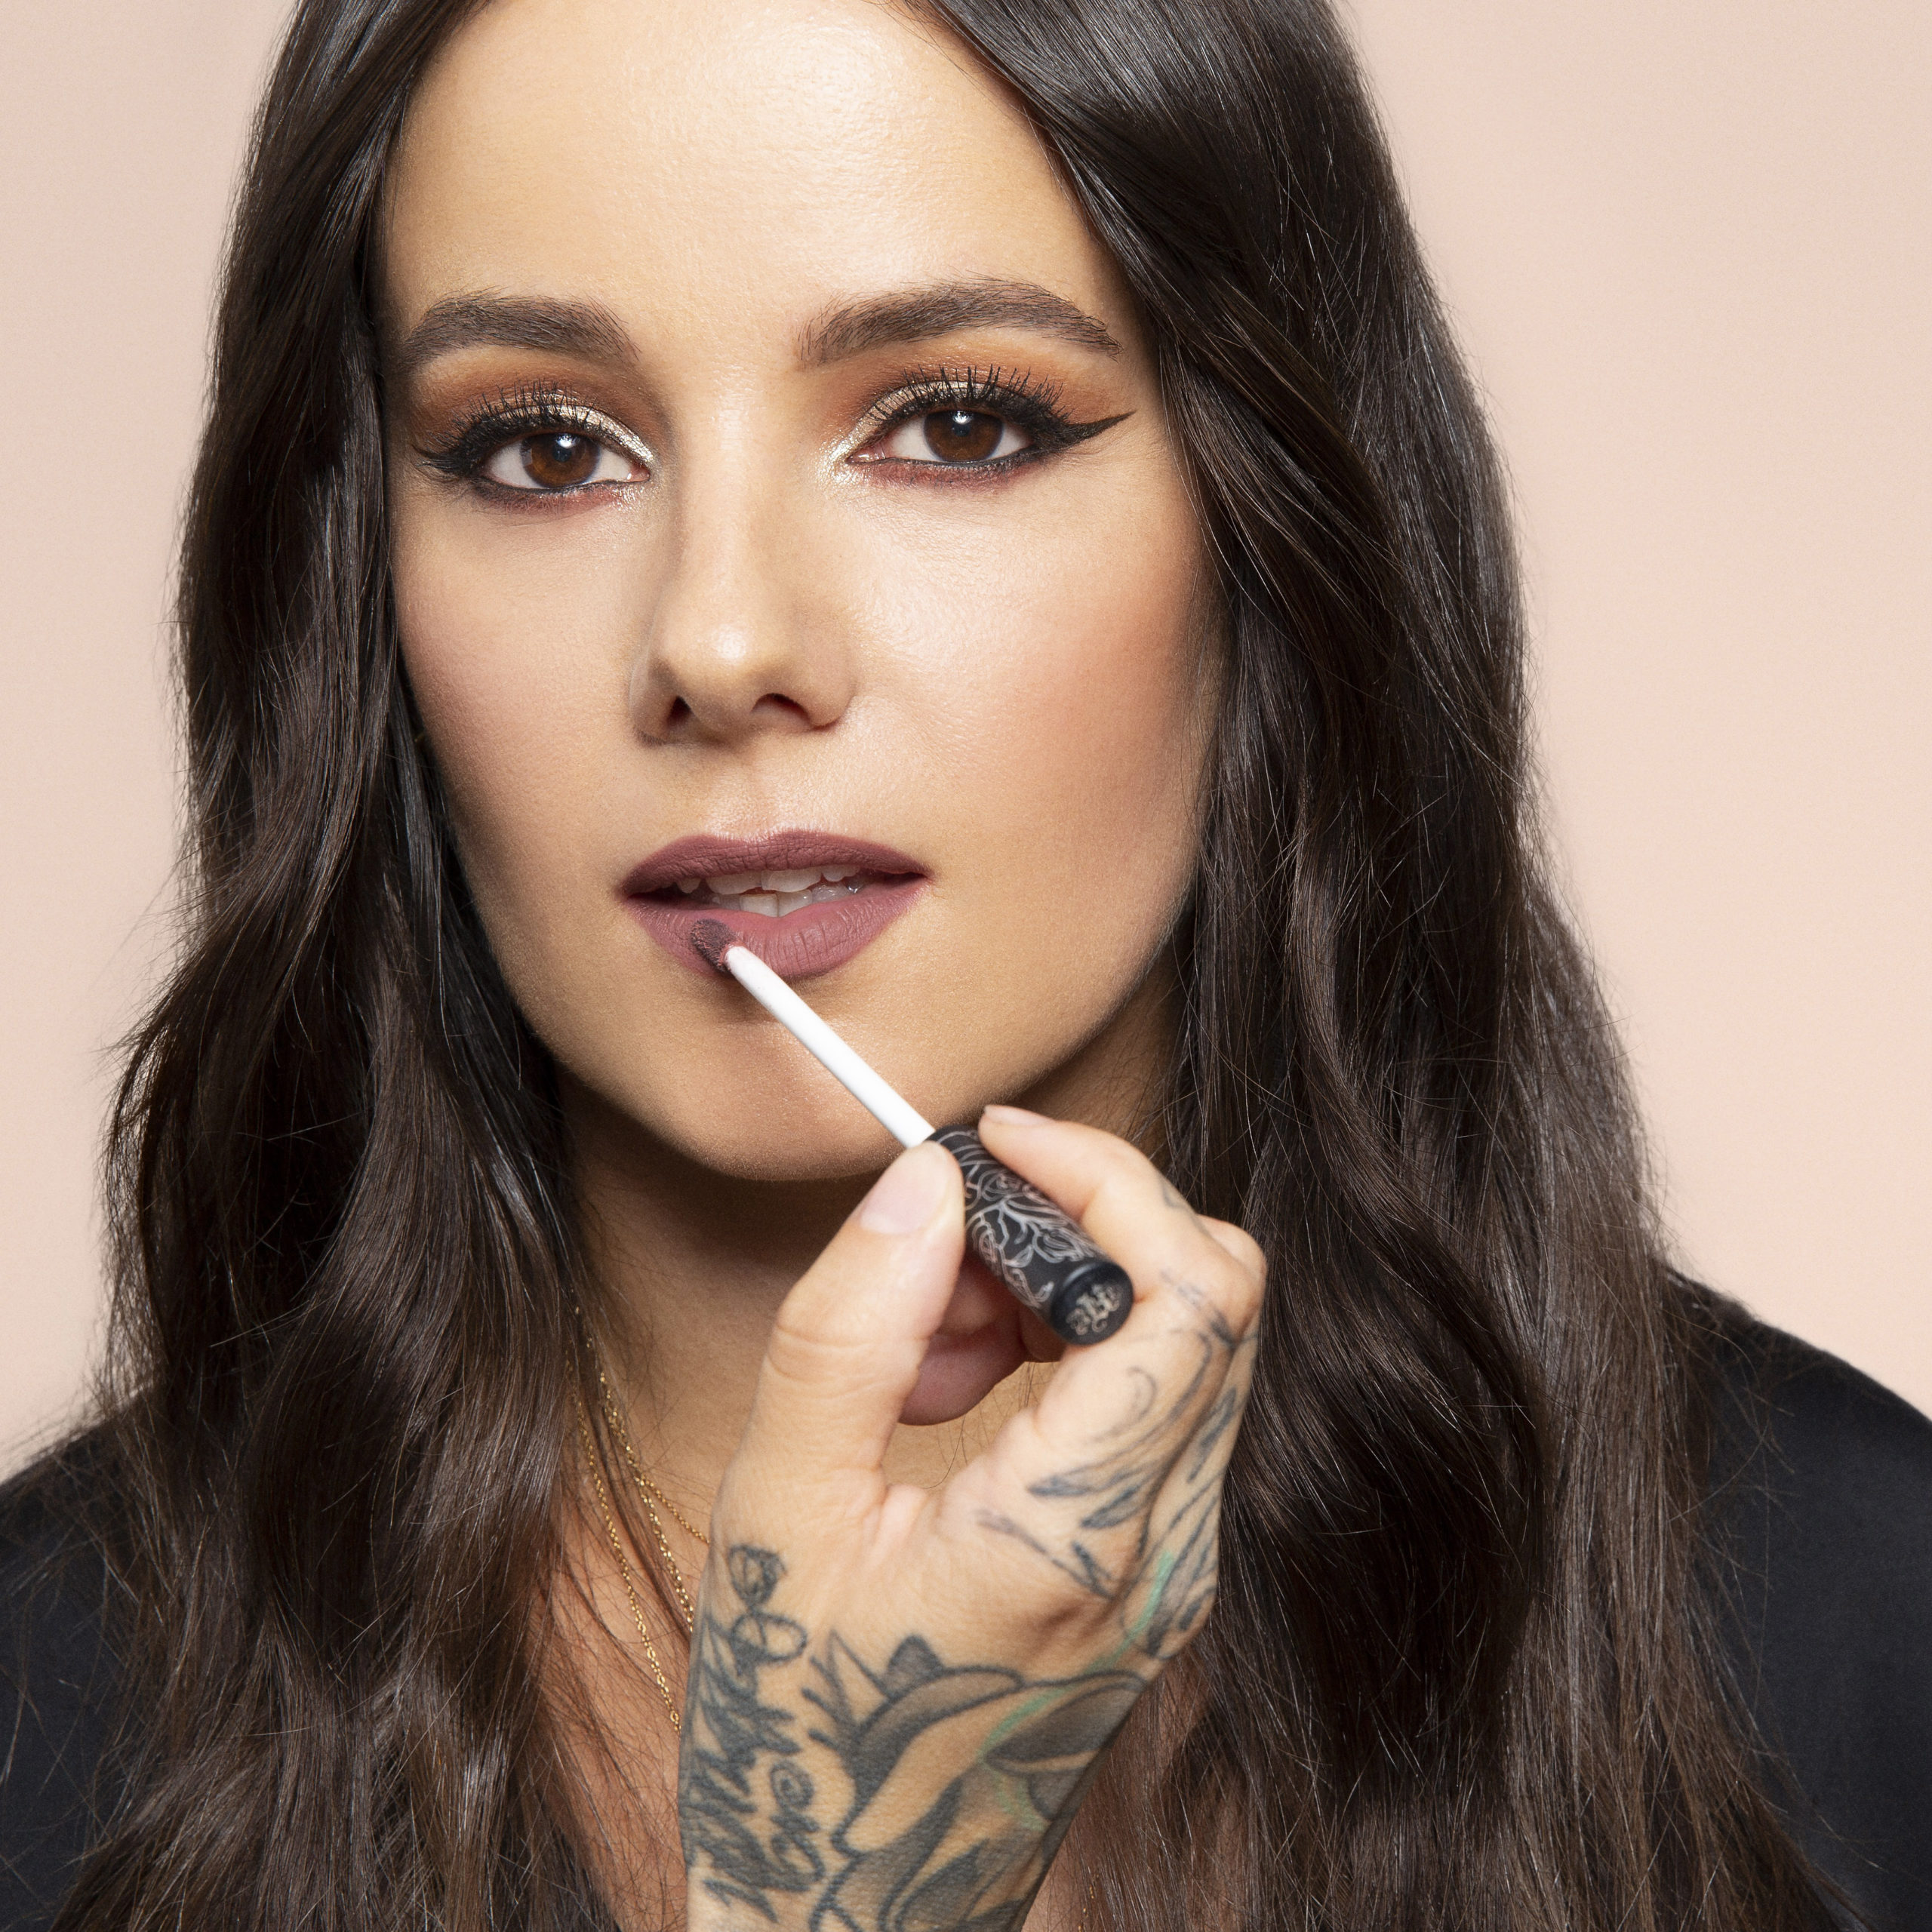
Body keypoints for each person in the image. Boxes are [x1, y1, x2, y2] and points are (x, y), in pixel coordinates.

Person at [3, 0, 1927, 1927]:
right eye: (544, 446)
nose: (721, 641)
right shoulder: (46, 1709)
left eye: (952, 424)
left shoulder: (1851, 1612)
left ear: (1272, 526)